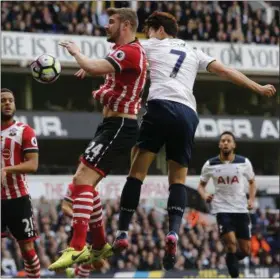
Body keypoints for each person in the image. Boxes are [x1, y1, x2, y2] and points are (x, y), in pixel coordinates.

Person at [110, 11, 276, 270]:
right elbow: (226, 71)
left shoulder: (150, 44)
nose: (148, 34)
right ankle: (174, 232)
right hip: (187, 114)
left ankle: (122, 231)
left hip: (159, 106)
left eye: (150, 29)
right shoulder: (194, 51)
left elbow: (120, 52)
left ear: (160, 30)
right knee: (177, 180)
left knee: (136, 174)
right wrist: (258, 88)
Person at [48, 7, 147, 271]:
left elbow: (94, 65)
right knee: (84, 184)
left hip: (120, 125)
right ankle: (100, 243)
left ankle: (78, 247)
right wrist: (93, 72)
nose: (106, 25)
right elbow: (106, 73)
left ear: (126, 25)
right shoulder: (122, 53)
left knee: (82, 179)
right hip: (111, 125)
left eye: (111, 22)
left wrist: (76, 53)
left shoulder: (130, 51)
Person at [197, 131, 256, 278]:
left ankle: (230, 259)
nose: (225, 143)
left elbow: (252, 182)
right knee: (230, 243)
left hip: (241, 210)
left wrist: (251, 199)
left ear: (234, 145)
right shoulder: (210, 164)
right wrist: (205, 195)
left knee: (245, 250)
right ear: (219, 145)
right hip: (222, 209)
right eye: (223, 141)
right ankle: (234, 274)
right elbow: (200, 186)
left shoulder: (244, 162)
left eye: (228, 141)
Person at [1, 88, 40, 278]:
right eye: (3, 101)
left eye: (11, 100)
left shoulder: (24, 130)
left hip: (18, 198)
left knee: (27, 248)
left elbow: (33, 165)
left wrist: (6, 170)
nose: (7, 103)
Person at [61, 183, 106, 278]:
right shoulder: (74, 184)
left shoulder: (97, 185)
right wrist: (80, 218)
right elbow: (65, 207)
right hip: (81, 228)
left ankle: (75, 272)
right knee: (86, 256)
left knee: (100, 263)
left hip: (95, 229)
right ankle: (76, 272)